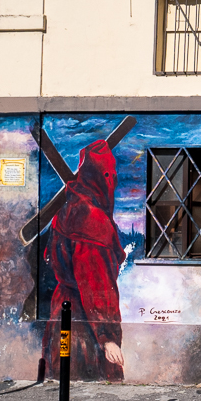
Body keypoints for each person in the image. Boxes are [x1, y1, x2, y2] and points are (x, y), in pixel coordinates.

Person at [43, 140, 126, 381]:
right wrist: (108, 337)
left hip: (62, 315)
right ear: (102, 177)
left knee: (65, 385)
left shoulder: (68, 210)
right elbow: (96, 284)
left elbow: (51, 259)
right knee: (92, 393)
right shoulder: (92, 221)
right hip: (84, 328)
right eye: (109, 175)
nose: (113, 181)